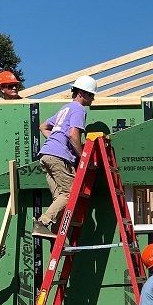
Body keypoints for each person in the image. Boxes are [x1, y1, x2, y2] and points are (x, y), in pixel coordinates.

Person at [32, 75, 98, 239]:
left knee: (60, 197)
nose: (93, 98)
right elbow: (73, 133)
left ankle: (54, 235)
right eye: (91, 95)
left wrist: (55, 140)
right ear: (81, 93)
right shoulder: (79, 109)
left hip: (46, 155)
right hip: (59, 157)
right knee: (70, 194)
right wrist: (83, 155)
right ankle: (42, 222)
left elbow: (43, 127)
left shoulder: (65, 108)